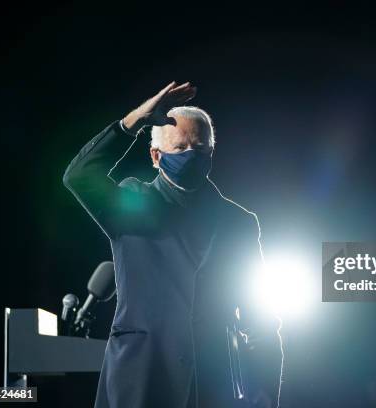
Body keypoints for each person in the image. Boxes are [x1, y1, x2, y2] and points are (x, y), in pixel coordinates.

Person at [63, 81, 282, 408]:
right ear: (156, 155)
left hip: (212, 384)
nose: (192, 153)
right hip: (139, 380)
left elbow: (260, 324)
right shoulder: (132, 201)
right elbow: (78, 175)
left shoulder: (239, 223)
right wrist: (135, 120)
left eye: (201, 146)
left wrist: (264, 396)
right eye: (180, 147)